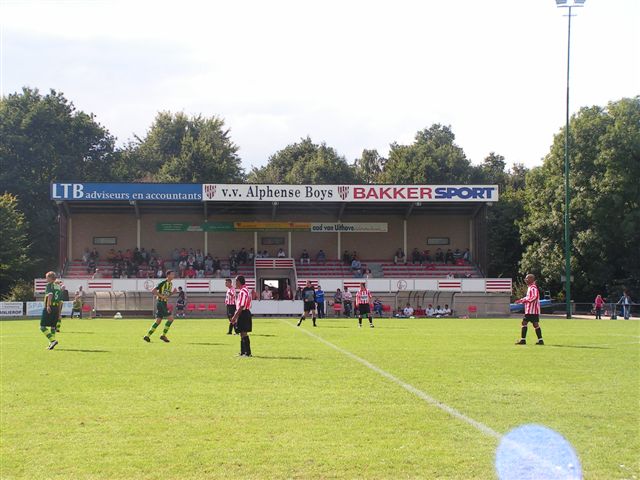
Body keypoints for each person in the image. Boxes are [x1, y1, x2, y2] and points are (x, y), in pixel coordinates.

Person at [143, 270, 177, 343]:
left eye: (174, 275)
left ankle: (147, 336)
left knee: (158, 321)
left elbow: (166, 296)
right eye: (172, 274)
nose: (173, 276)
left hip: (163, 303)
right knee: (171, 319)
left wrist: (173, 293)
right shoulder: (162, 283)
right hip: (161, 303)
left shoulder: (170, 284)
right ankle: (163, 335)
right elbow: (153, 290)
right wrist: (161, 296)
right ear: (168, 275)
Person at [515, 273, 544, 345]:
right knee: (533, 324)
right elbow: (528, 297)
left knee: (527, 323)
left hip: (532, 310)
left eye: (527, 278)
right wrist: (521, 300)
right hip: (530, 310)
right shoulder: (530, 287)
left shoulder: (533, 288)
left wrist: (526, 301)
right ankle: (540, 340)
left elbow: (534, 297)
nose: (525, 280)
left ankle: (523, 340)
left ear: (531, 279)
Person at [230, 275, 253, 357]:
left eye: (236, 281)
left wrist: (235, 316)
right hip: (244, 312)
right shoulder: (245, 290)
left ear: (239, 282)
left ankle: (247, 352)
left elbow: (242, 305)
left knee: (243, 333)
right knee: (241, 333)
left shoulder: (243, 291)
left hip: (243, 313)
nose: (235, 283)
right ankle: (243, 352)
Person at [40, 271, 61, 350]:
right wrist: (59, 312)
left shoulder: (49, 285)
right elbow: (59, 300)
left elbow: (50, 295)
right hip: (56, 308)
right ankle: (51, 344)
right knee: (52, 327)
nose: (46, 279)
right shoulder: (58, 286)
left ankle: (52, 341)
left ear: (50, 278)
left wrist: (48, 305)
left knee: (42, 327)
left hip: (50, 307)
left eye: (47, 277)